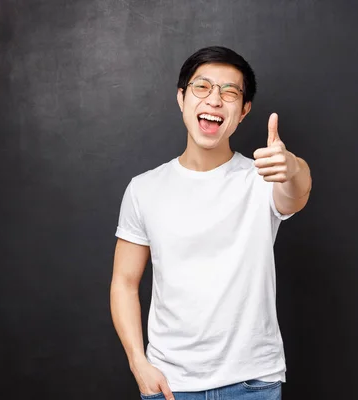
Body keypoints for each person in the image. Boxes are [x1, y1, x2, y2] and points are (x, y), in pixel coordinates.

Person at [110, 46, 312, 400]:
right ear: (182, 97)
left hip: (253, 383)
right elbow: (124, 282)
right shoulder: (144, 189)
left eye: (229, 92)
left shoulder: (262, 178)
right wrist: (137, 362)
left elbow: (297, 191)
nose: (214, 100)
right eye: (202, 87)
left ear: (244, 110)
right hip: (169, 386)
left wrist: (292, 166)